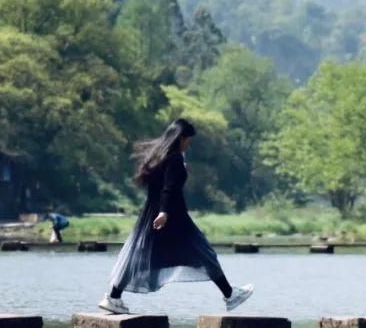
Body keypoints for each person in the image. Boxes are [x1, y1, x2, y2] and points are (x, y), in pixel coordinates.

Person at [99, 118, 253, 314]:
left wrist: (179, 175)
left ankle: (113, 297)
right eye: (188, 140)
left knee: (138, 256)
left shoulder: (159, 157)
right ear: (180, 138)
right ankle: (231, 295)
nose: (189, 144)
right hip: (173, 216)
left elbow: (162, 185)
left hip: (152, 214)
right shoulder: (174, 159)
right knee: (205, 254)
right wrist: (164, 212)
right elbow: (169, 188)